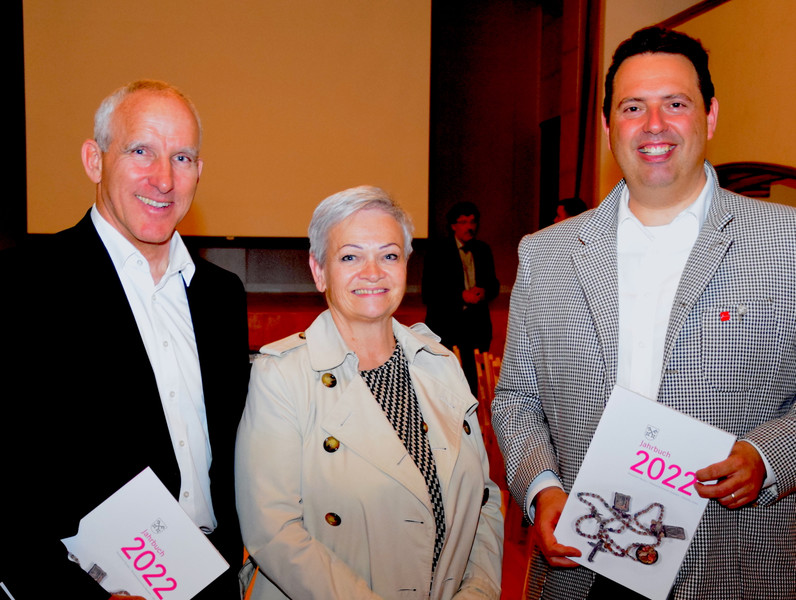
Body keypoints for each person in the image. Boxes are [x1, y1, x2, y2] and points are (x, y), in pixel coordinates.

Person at [492, 26, 796, 600]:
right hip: (585, 558)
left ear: (709, 116)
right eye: (633, 107)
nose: (654, 124)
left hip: (733, 560)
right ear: (609, 128)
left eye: (675, 103)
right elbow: (517, 400)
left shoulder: (787, 243)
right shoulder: (547, 254)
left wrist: (769, 456)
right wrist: (542, 487)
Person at [0, 80, 250, 598]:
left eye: (181, 158)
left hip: (212, 581)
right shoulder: (23, 285)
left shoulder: (221, 297)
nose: (164, 179)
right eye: (141, 151)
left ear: (198, 172)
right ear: (94, 161)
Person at [235, 186, 503, 599]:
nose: (373, 272)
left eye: (389, 255)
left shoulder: (441, 363)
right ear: (319, 271)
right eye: (350, 257)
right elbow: (274, 530)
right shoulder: (282, 376)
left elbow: (483, 501)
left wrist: (478, 593)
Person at [422, 201, 499, 395]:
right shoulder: (438, 251)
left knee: (473, 381)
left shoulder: (483, 250)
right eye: (464, 222)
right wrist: (461, 296)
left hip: (476, 326)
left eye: (473, 222)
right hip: (446, 325)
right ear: (453, 226)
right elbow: (429, 291)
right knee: (446, 381)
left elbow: (494, 285)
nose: (469, 227)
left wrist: (484, 292)